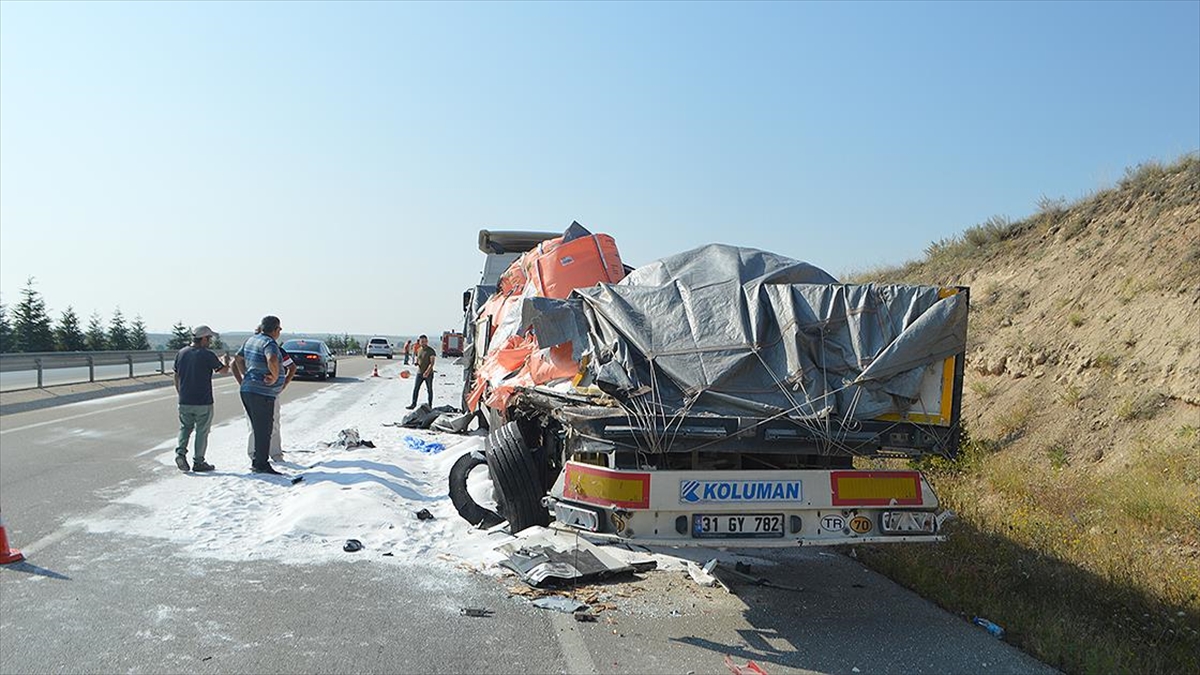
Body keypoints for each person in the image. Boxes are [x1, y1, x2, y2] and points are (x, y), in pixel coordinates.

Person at [233, 326, 297, 463]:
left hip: (268, 392)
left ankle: (273, 453)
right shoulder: (256, 347)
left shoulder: (275, 348)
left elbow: (291, 367)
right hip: (260, 391)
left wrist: (282, 383)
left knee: (271, 424)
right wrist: (244, 379)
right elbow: (236, 362)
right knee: (258, 426)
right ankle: (256, 455)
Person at [173, 325, 230, 472]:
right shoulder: (207, 355)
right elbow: (223, 371)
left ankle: (180, 453)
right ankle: (198, 461)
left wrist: (180, 392)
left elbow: (176, 375)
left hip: (185, 400)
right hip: (203, 401)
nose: (210, 341)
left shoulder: (181, 353)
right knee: (202, 431)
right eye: (209, 338)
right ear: (203, 338)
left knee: (185, 428)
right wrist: (226, 361)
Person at [406, 334, 436, 409]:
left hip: (429, 374)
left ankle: (430, 405)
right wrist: (416, 362)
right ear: (419, 342)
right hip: (419, 372)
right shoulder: (419, 349)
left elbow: (432, 363)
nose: (423, 343)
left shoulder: (431, 351)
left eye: (424, 341)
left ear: (427, 341)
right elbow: (418, 358)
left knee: (429, 389)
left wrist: (427, 372)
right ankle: (413, 404)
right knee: (416, 388)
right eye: (421, 341)